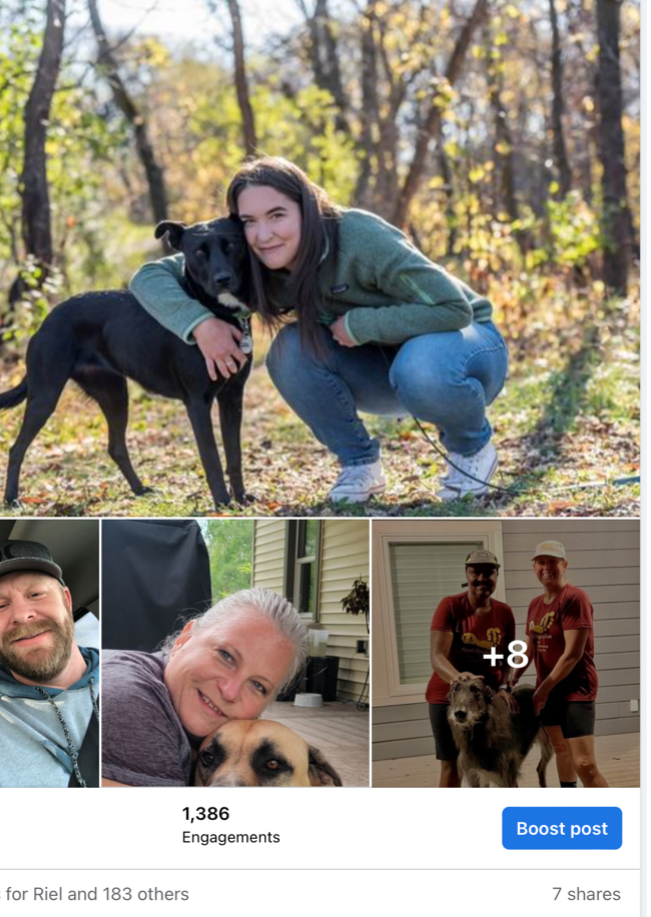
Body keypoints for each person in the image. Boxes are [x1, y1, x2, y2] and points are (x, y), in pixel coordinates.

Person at [130, 157, 508, 503]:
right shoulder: (250, 257)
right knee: (288, 349)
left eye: (277, 215)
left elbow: (453, 308)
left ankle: (471, 449)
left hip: (465, 348)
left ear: (306, 208)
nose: (263, 234)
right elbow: (148, 276)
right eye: (249, 221)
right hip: (385, 367)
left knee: (420, 365)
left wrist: (362, 324)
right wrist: (200, 324)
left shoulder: (358, 235)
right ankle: (360, 465)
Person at [100, 588, 308, 787]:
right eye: (226, 656)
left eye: (257, 685)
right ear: (183, 639)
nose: (230, 691)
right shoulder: (129, 703)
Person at [0, 540, 100, 788]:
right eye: (0, 606)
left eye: (36, 594)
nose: (21, 615)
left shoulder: (144, 677)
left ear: (67, 602)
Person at [511, 540, 607, 788]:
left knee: (584, 763)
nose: (546, 567)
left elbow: (573, 654)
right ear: (534, 566)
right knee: (560, 749)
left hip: (576, 690)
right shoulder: (535, 604)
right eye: (541, 562)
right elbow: (529, 647)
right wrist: (510, 680)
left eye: (553, 561)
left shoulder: (575, 598)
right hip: (548, 691)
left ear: (564, 565)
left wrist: (542, 690)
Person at [426, 549, 517, 788]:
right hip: (447, 697)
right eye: (475, 572)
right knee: (452, 764)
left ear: (497, 575)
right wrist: (458, 677)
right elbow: (437, 657)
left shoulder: (504, 612)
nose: (481, 579)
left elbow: (508, 656)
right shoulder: (450, 606)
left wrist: (505, 686)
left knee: (491, 761)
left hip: (487, 700)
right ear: (467, 574)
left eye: (489, 573)